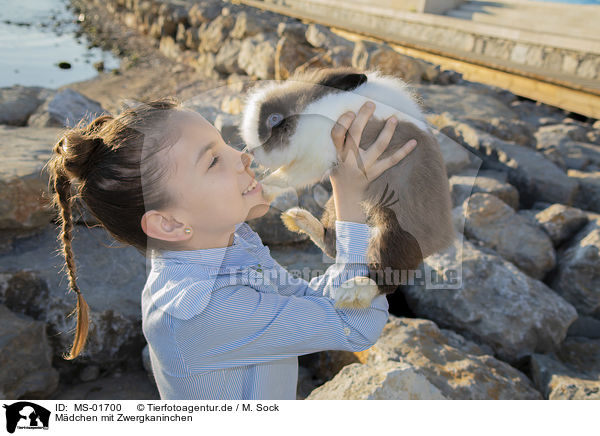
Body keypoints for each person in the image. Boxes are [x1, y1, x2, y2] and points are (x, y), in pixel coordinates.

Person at [45, 96, 418, 399]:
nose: (243, 156)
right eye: (212, 160)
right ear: (170, 224)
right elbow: (353, 328)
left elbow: (307, 300)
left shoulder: (223, 246)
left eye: (224, 143)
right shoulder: (202, 310)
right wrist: (349, 199)